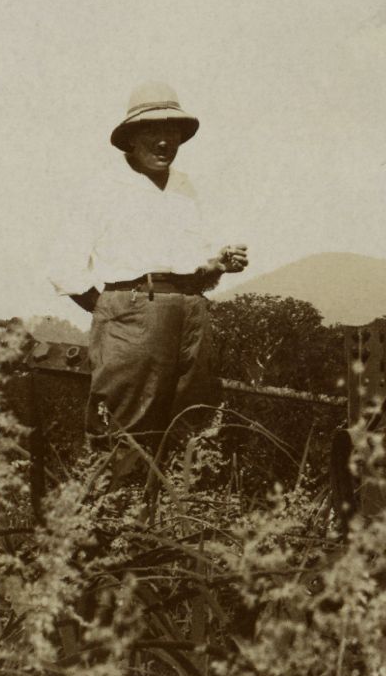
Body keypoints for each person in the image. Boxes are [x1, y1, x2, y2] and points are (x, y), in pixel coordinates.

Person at [51, 82, 249, 473]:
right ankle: (115, 509)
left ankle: (173, 507)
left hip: (191, 316)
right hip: (132, 316)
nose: (164, 141)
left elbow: (192, 266)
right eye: (153, 130)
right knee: (124, 433)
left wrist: (220, 263)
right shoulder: (103, 188)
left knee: (190, 427)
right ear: (131, 137)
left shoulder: (186, 188)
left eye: (171, 131)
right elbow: (63, 266)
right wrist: (114, 310)